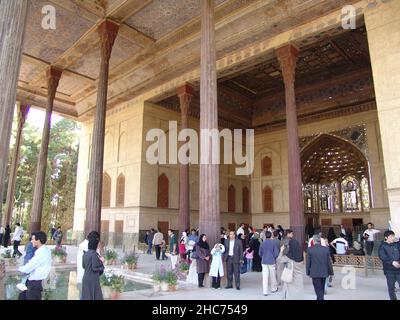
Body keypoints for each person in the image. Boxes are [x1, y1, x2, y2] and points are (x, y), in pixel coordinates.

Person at [18, 231, 52, 300]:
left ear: (38, 241)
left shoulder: (41, 253)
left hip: (35, 284)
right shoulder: (44, 250)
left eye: (33, 239)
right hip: (33, 282)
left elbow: (28, 268)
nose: (31, 241)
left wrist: (18, 268)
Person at [306, 234, 334, 300]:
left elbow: (308, 262)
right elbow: (329, 262)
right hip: (324, 272)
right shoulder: (326, 249)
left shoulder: (310, 249)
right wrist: (331, 272)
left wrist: (308, 272)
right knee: (321, 288)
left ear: (314, 240)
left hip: (314, 273)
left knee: (318, 289)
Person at [281, 229, 304, 300]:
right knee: (298, 282)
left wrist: (282, 252)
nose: (292, 235)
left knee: (288, 281)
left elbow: (284, 254)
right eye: (292, 233)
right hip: (299, 263)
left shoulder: (286, 241)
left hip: (291, 263)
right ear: (289, 234)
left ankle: (286, 296)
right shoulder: (295, 242)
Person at [81, 231, 104, 300]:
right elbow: (94, 268)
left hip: (85, 278)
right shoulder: (94, 254)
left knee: (86, 296)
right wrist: (101, 264)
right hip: (93, 279)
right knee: (95, 295)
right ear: (95, 245)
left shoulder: (85, 254)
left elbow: (83, 266)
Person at [378, 230, 400, 300]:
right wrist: (392, 262)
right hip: (389, 271)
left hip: (398, 270)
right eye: (391, 236)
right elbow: (382, 256)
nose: (393, 238)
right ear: (386, 237)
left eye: (393, 236)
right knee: (391, 288)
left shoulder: (397, 244)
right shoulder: (382, 246)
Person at [259, 231, 279, 296]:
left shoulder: (262, 243)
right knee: (273, 276)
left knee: (264, 277)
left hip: (264, 261)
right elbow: (276, 253)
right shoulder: (273, 243)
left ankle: (265, 291)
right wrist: (273, 257)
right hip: (272, 261)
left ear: (265, 236)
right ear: (271, 236)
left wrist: (263, 256)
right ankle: (273, 288)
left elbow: (260, 253)